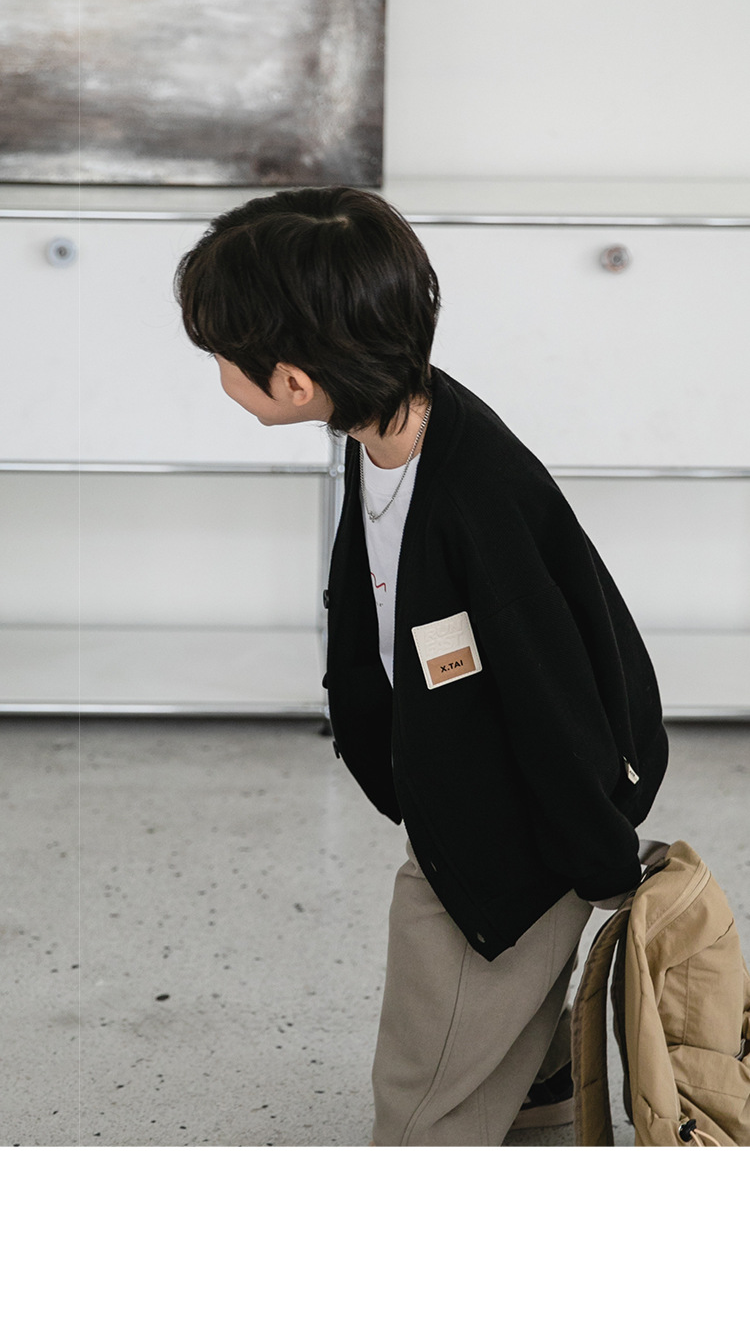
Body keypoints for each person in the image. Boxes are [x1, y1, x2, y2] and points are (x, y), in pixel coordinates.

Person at [175, 186, 669, 1147]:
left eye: (222, 358)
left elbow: (554, 695)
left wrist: (604, 860)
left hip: (518, 831)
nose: (218, 373)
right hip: (467, 784)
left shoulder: (475, 498)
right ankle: (539, 1097)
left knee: (420, 1093)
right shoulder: (387, 421)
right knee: (504, 1017)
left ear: (293, 382)